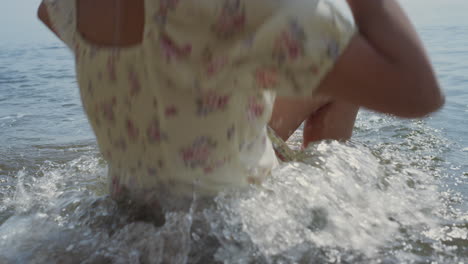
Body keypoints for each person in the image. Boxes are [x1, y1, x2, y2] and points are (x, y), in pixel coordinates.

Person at [38, 0, 444, 210]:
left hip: (129, 204)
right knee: (341, 89)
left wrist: (153, 69)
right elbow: (417, 91)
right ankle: (324, 194)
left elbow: (46, 12)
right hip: (231, 215)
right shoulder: (234, 8)